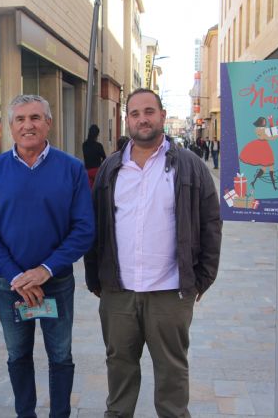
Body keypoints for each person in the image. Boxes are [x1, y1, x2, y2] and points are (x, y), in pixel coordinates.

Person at [84, 88, 222, 418]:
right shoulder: (111, 168)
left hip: (170, 293)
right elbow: (95, 225)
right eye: (135, 113)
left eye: (149, 111)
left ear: (162, 115)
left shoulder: (189, 166)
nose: (142, 119)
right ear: (127, 120)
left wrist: (202, 279)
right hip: (119, 293)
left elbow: (211, 223)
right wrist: (95, 279)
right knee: (119, 370)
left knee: (172, 375)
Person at [0, 94, 95, 418]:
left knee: (61, 356)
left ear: (48, 123)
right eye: (20, 119)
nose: (28, 125)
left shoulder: (71, 169)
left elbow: (84, 229)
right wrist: (16, 275)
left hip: (55, 283)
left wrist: (46, 269)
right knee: (17, 355)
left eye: (35, 118)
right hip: (11, 286)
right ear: (10, 126)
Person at [239, 116, 278, 190]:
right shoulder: (262, 129)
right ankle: (274, 186)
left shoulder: (258, 129)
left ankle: (254, 182)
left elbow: (269, 133)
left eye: (265, 121)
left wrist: (271, 124)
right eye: (264, 121)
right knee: (270, 166)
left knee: (264, 169)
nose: (265, 122)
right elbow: (268, 137)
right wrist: (276, 136)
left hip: (262, 145)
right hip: (264, 148)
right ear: (260, 122)